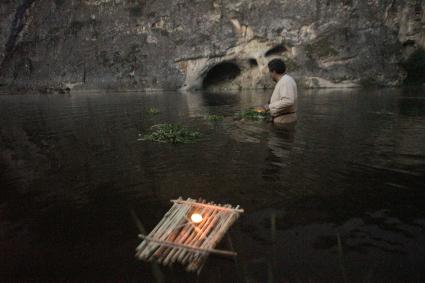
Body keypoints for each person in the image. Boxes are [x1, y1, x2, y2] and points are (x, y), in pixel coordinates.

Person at [257, 58, 298, 124]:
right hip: (283, 120)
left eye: (270, 72)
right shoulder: (284, 80)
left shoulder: (285, 81)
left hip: (285, 121)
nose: (270, 75)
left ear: (274, 72)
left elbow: (288, 101)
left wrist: (268, 107)